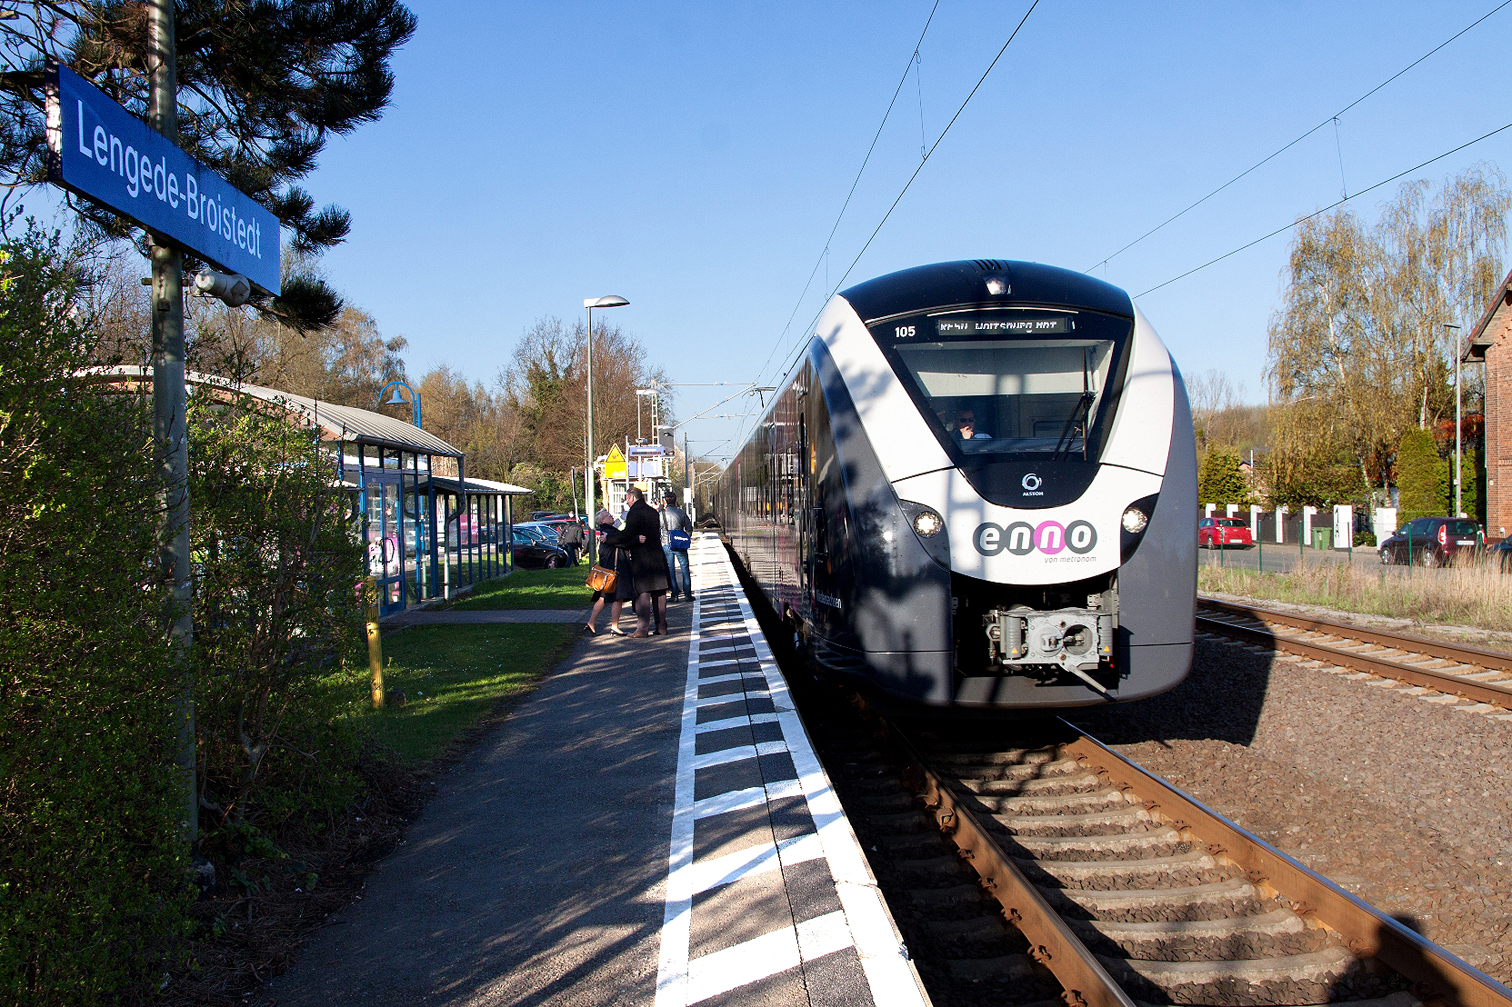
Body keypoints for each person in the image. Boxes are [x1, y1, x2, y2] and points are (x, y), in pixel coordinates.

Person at [604, 485, 670, 637]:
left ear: (632, 497)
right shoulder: (653, 512)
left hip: (642, 559)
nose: (626, 501)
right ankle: (662, 627)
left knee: (643, 594)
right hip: (657, 556)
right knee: (660, 594)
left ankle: (642, 629)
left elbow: (626, 535)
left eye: (627, 498)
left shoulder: (634, 512)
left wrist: (609, 538)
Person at [584, 509, 632, 636]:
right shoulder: (610, 532)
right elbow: (623, 541)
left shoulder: (604, 532)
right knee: (617, 597)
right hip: (615, 569)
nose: (611, 516)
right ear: (602, 520)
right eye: (608, 515)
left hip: (606, 570)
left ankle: (591, 623)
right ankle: (614, 626)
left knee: (603, 597)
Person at [660, 492, 694, 601]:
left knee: (670, 570)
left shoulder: (661, 514)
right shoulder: (681, 512)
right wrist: (685, 538)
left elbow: (658, 529)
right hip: (680, 544)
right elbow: (689, 527)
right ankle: (688, 594)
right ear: (675, 501)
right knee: (684, 568)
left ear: (665, 501)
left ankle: (674, 595)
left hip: (666, 544)